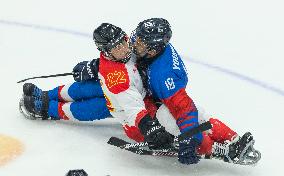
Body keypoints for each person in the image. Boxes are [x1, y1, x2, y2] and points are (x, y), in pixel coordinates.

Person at [21, 23, 174, 150]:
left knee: (82, 89)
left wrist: (94, 66)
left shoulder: (120, 51)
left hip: (128, 91)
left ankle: (46, 96)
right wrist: (149, 127)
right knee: (84, 107)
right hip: (124, 107)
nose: (123, 48)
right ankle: (47, 108)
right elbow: (133, 107)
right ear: (107, 52)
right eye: (116, 47)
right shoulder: (118, 77)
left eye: (122, 41)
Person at [130, 18, 256, 165]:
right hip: (165, 89)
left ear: (153, 49)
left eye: (141, 42)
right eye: (137, 37)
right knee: (199, 117)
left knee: (167, 117)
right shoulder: (156, 51)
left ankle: (217, 149)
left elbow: (184, 108)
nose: (135, 43)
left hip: (166, 94)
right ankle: (233, 139)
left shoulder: (163, 76)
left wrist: (189, 139)